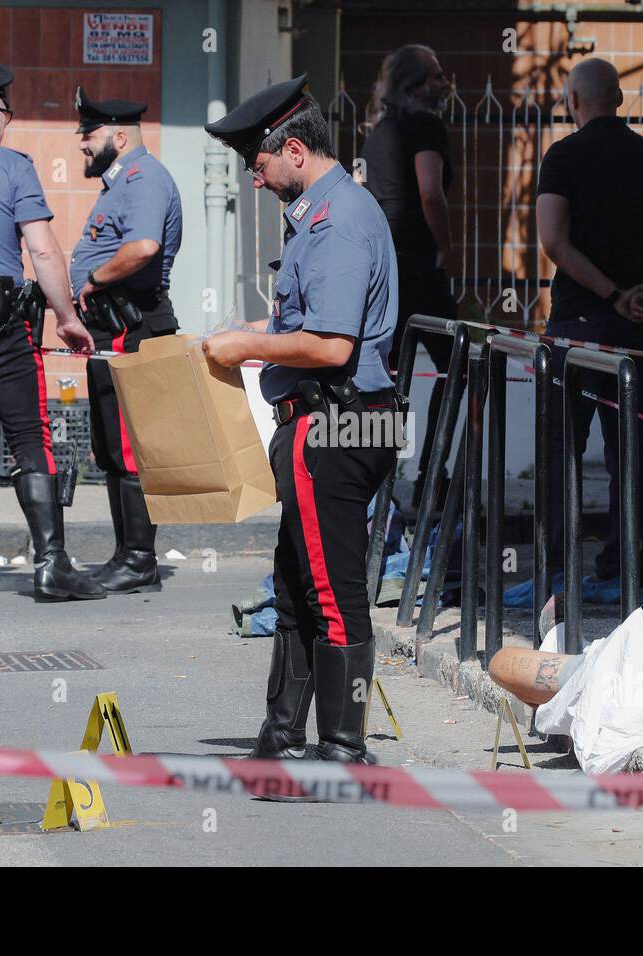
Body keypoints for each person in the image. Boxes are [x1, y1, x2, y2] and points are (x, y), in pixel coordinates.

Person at [203, 76, 399, 767]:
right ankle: (282, 734)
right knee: (294, 584)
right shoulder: (328, 211)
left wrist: (246, 346)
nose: (255, 182)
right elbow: (308, 321)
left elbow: (331, 345)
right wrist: (250, 329)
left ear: (292, 149)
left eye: (257, 167)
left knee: (331, 590)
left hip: (333, 426)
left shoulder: (336, 219)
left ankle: (344, 745)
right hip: (332, 421)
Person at [534, 57, 643, 606]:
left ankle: (557, 568)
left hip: (579, 327)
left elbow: (554, 241)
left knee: (564, 451)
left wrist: (607, 294)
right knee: (630, 452)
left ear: (573, 102)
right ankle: (620, 566)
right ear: (621, 100)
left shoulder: (563, 156)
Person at [0, 65, 104, 604]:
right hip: (0, 321)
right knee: (31, 437)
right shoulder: (12, 166)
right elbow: (43, 249)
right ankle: (52, 565)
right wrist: (67, 317)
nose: (6, 125)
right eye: (5, 115)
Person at [70, 87, 183, 593]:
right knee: (113, 448)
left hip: (131, 326)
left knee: (131, 448)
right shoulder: (122, 182)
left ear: (119, 136)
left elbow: (142, 246)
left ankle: (139, 559)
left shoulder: (141, 179)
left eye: (89, 135)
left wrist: (92, 282)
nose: (82, 145)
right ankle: (129, 555)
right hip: (116, 327)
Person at [359, 44, 456, 508]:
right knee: (455, 366)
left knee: (385, 374)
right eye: (437, 76)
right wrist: (446, 246)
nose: (445, 83)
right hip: (417, 262)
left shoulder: (378, 133)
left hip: (383, 264)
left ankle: (380, 484)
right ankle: (432, 479)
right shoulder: (426, 126)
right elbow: (430, 192)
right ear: (416, 85)